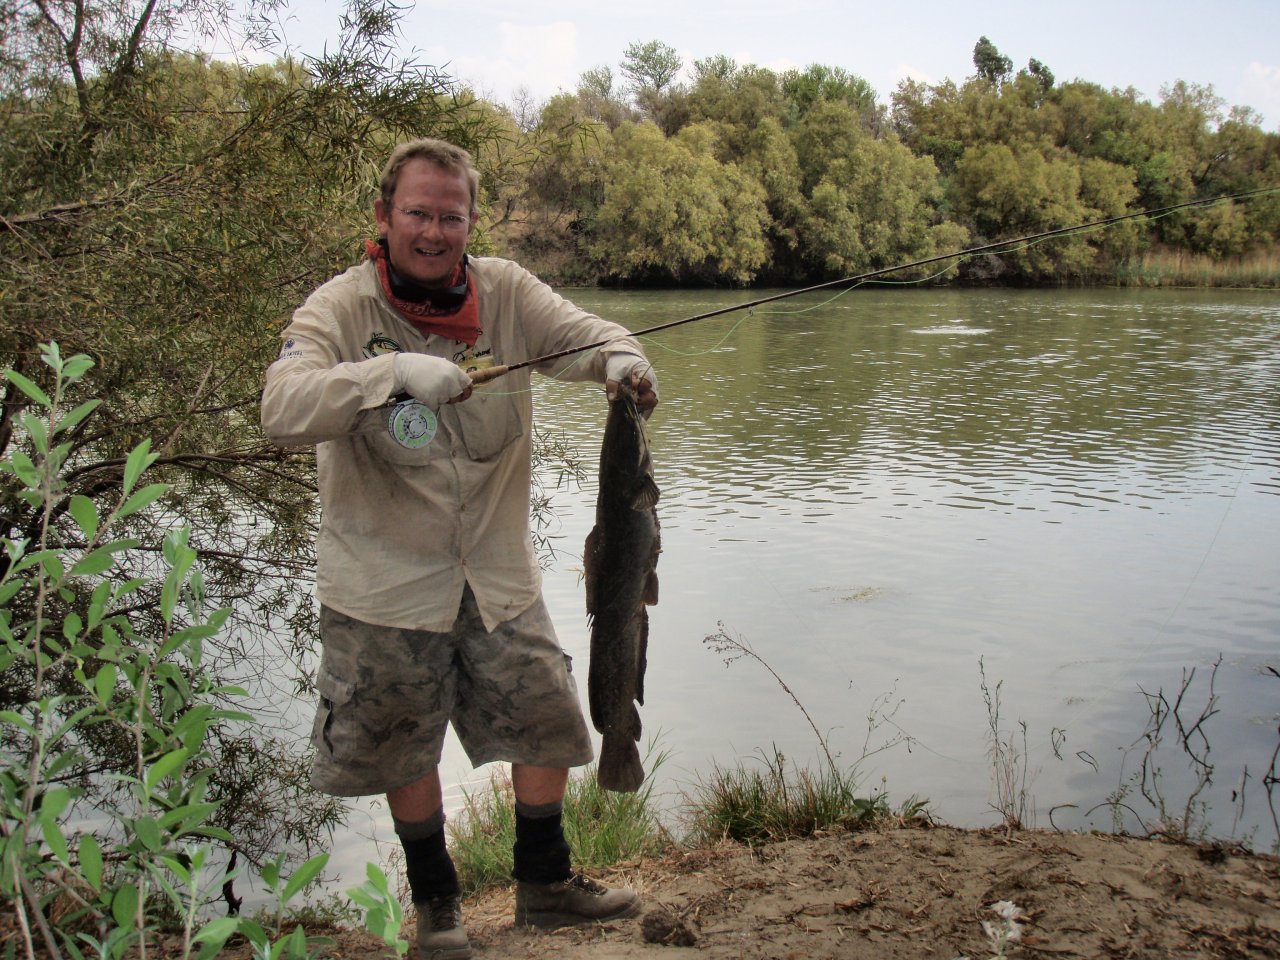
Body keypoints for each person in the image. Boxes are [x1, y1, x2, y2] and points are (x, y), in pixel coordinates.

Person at [260, 138, 657, 959]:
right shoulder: (339, 309)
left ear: (472, 221)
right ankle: (438, 908)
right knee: (405, 740)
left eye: (451, 214)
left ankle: (545, 884)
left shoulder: (508, 291)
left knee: (547, 719)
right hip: (383, 583)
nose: (434, 231)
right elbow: (283, 407)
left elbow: (588, 335)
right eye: (418, 212)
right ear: (384, 215)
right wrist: (391, 374)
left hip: (498, 574)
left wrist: (623, 359)